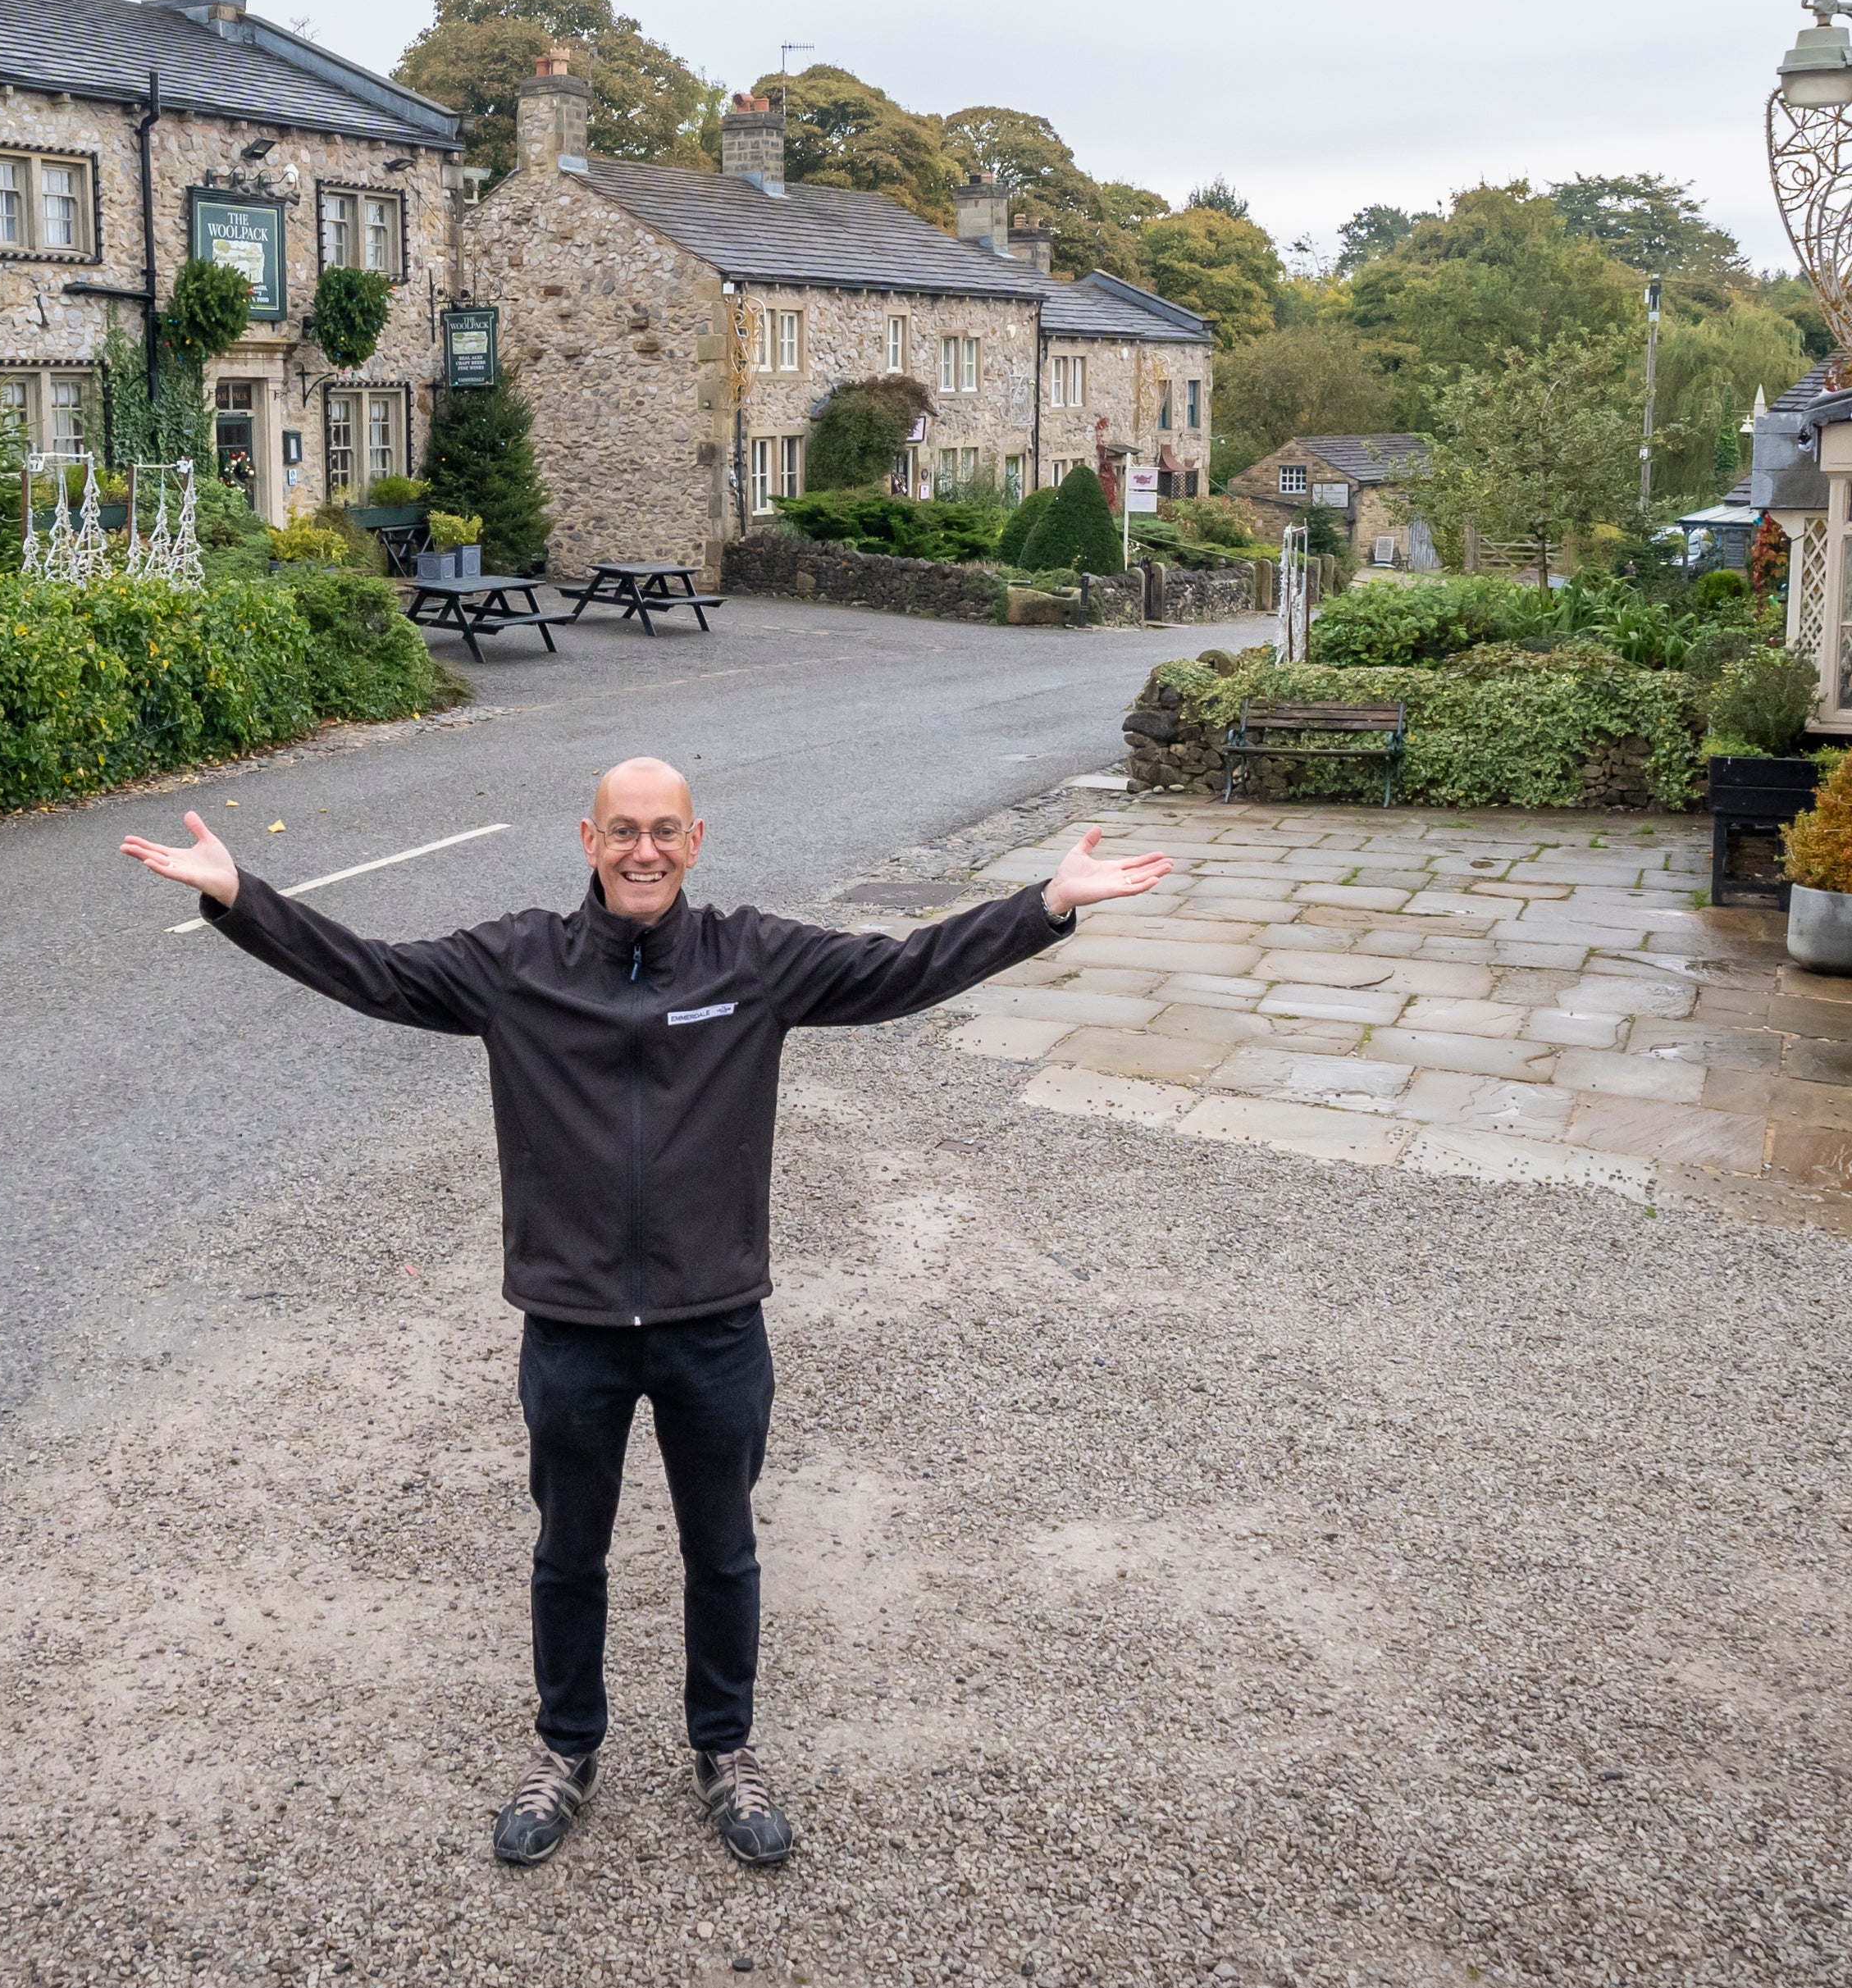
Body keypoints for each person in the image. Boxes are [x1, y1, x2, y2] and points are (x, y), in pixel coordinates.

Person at [123, 759, 1170, 1869]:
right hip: (570, 1325)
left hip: (713, 1323)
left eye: (664, 831)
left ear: (696, 839)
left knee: (722, 1550)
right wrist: (244, 898)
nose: (643, 851)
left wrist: (1044, 906)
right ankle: (565, 1749)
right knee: (568, 1553)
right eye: (622, 831)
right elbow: (375, 974)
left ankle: (726, 1751)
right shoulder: (517, 964)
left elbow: (902, 969)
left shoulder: (751, 959)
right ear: (588, 840)